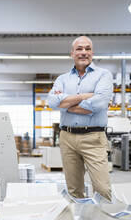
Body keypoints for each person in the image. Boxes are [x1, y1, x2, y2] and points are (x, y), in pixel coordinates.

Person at [47, 36, 113, 200]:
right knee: (74, 190)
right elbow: (53, 102)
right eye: (79, 49)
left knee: (102, 189)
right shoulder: (62, 78)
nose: (84, 52)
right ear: (72, 53)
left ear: (92, 52)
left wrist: (67, 104)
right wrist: (85, 96)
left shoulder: (103, 75)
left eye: (87, 48)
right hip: (67, 137)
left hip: (93, 137)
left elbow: (99, 104)